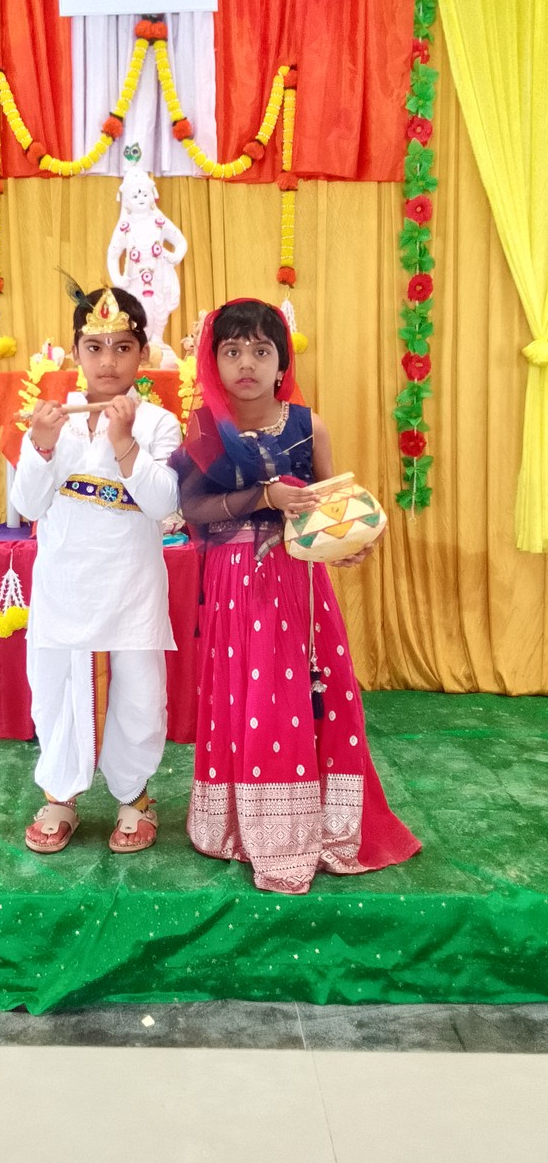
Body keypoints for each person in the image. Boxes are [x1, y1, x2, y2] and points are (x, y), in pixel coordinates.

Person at [172, 299, 421, 894]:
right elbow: (193, 508)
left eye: (261, 351)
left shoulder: (309, 426)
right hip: (231, 583)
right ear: (214, 362)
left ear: (282, 363)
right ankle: (245, 827)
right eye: (232, 351)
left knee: (301, 694)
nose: (247, 363)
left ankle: (320, 828)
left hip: (297, 582)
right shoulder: (205, 429)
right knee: (248, 695)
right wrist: (265, 497)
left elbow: (332, 506)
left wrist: (349, 546)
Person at [12, 286, 181, 855]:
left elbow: (163, 504)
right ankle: (60, 795)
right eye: (95, 348)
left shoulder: (158, 423)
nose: (108, 361)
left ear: (143, 355)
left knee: (139, 697)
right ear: (75, 353)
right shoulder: (52, 421)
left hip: (131, 588)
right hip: (63, 588)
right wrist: (40, 446)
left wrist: (124, 441)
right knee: (53, 692)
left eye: (123, 348)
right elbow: (29, 504)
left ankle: (134, 798)